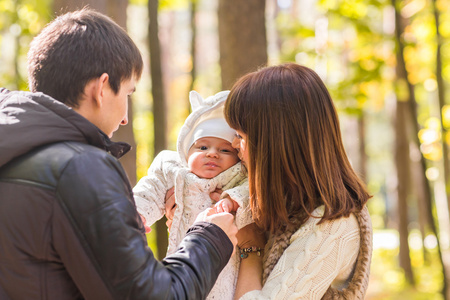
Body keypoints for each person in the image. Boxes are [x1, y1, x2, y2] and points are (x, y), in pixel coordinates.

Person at [0, 8, 238, 300]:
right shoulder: (81, 168)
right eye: (128, 93)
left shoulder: (13, 150)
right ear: (101, 88)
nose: (125, 117)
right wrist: (210, 236)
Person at [223, 63, 373, 299]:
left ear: (274, 144)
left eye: (241, 136)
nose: (233, 145)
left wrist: (250, 248)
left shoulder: (332, 224)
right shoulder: (286, 200)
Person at [134, 90, 252, 300]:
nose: (212, 153)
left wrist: (232, 199)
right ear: (187, 151)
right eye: (203, 147)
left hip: (226, 263)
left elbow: (250, 193)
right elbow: (150, 189)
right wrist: (136, 214)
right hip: (185, 259)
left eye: (225, 150)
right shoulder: (175, 172)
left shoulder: (238, 177)